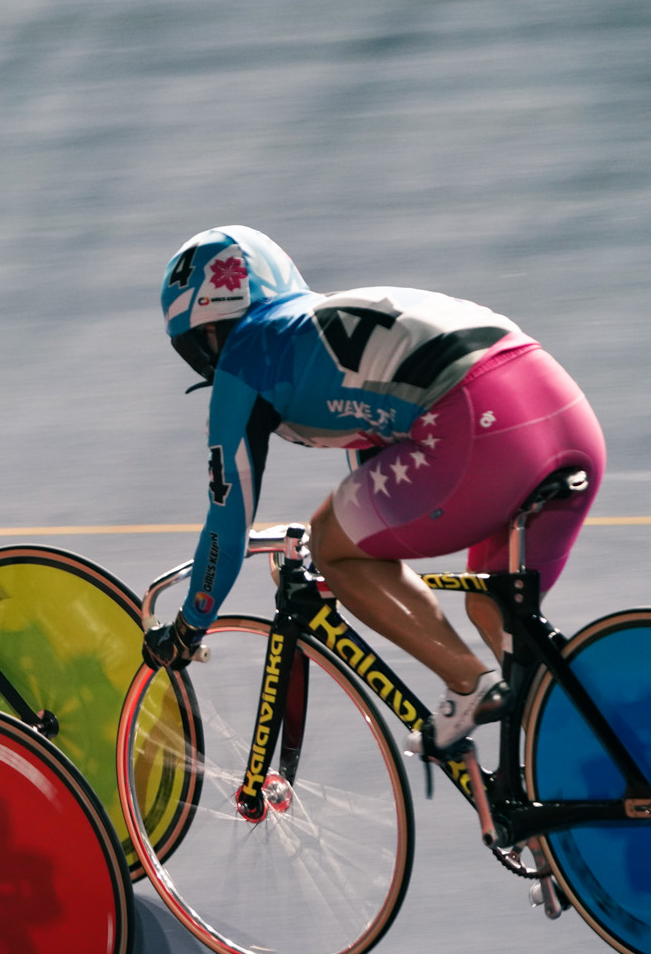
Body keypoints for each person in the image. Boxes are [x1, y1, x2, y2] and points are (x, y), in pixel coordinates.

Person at [145, 228, 605, 752]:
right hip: (564, 412)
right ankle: (593, 776)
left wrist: (189, 626)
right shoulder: (324, 319)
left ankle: (468, 684)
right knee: (499, 619)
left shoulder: (244, 359)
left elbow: (227, 525)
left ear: (206, 334)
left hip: (480, 425)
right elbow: (374, 454)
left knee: (331, 547)